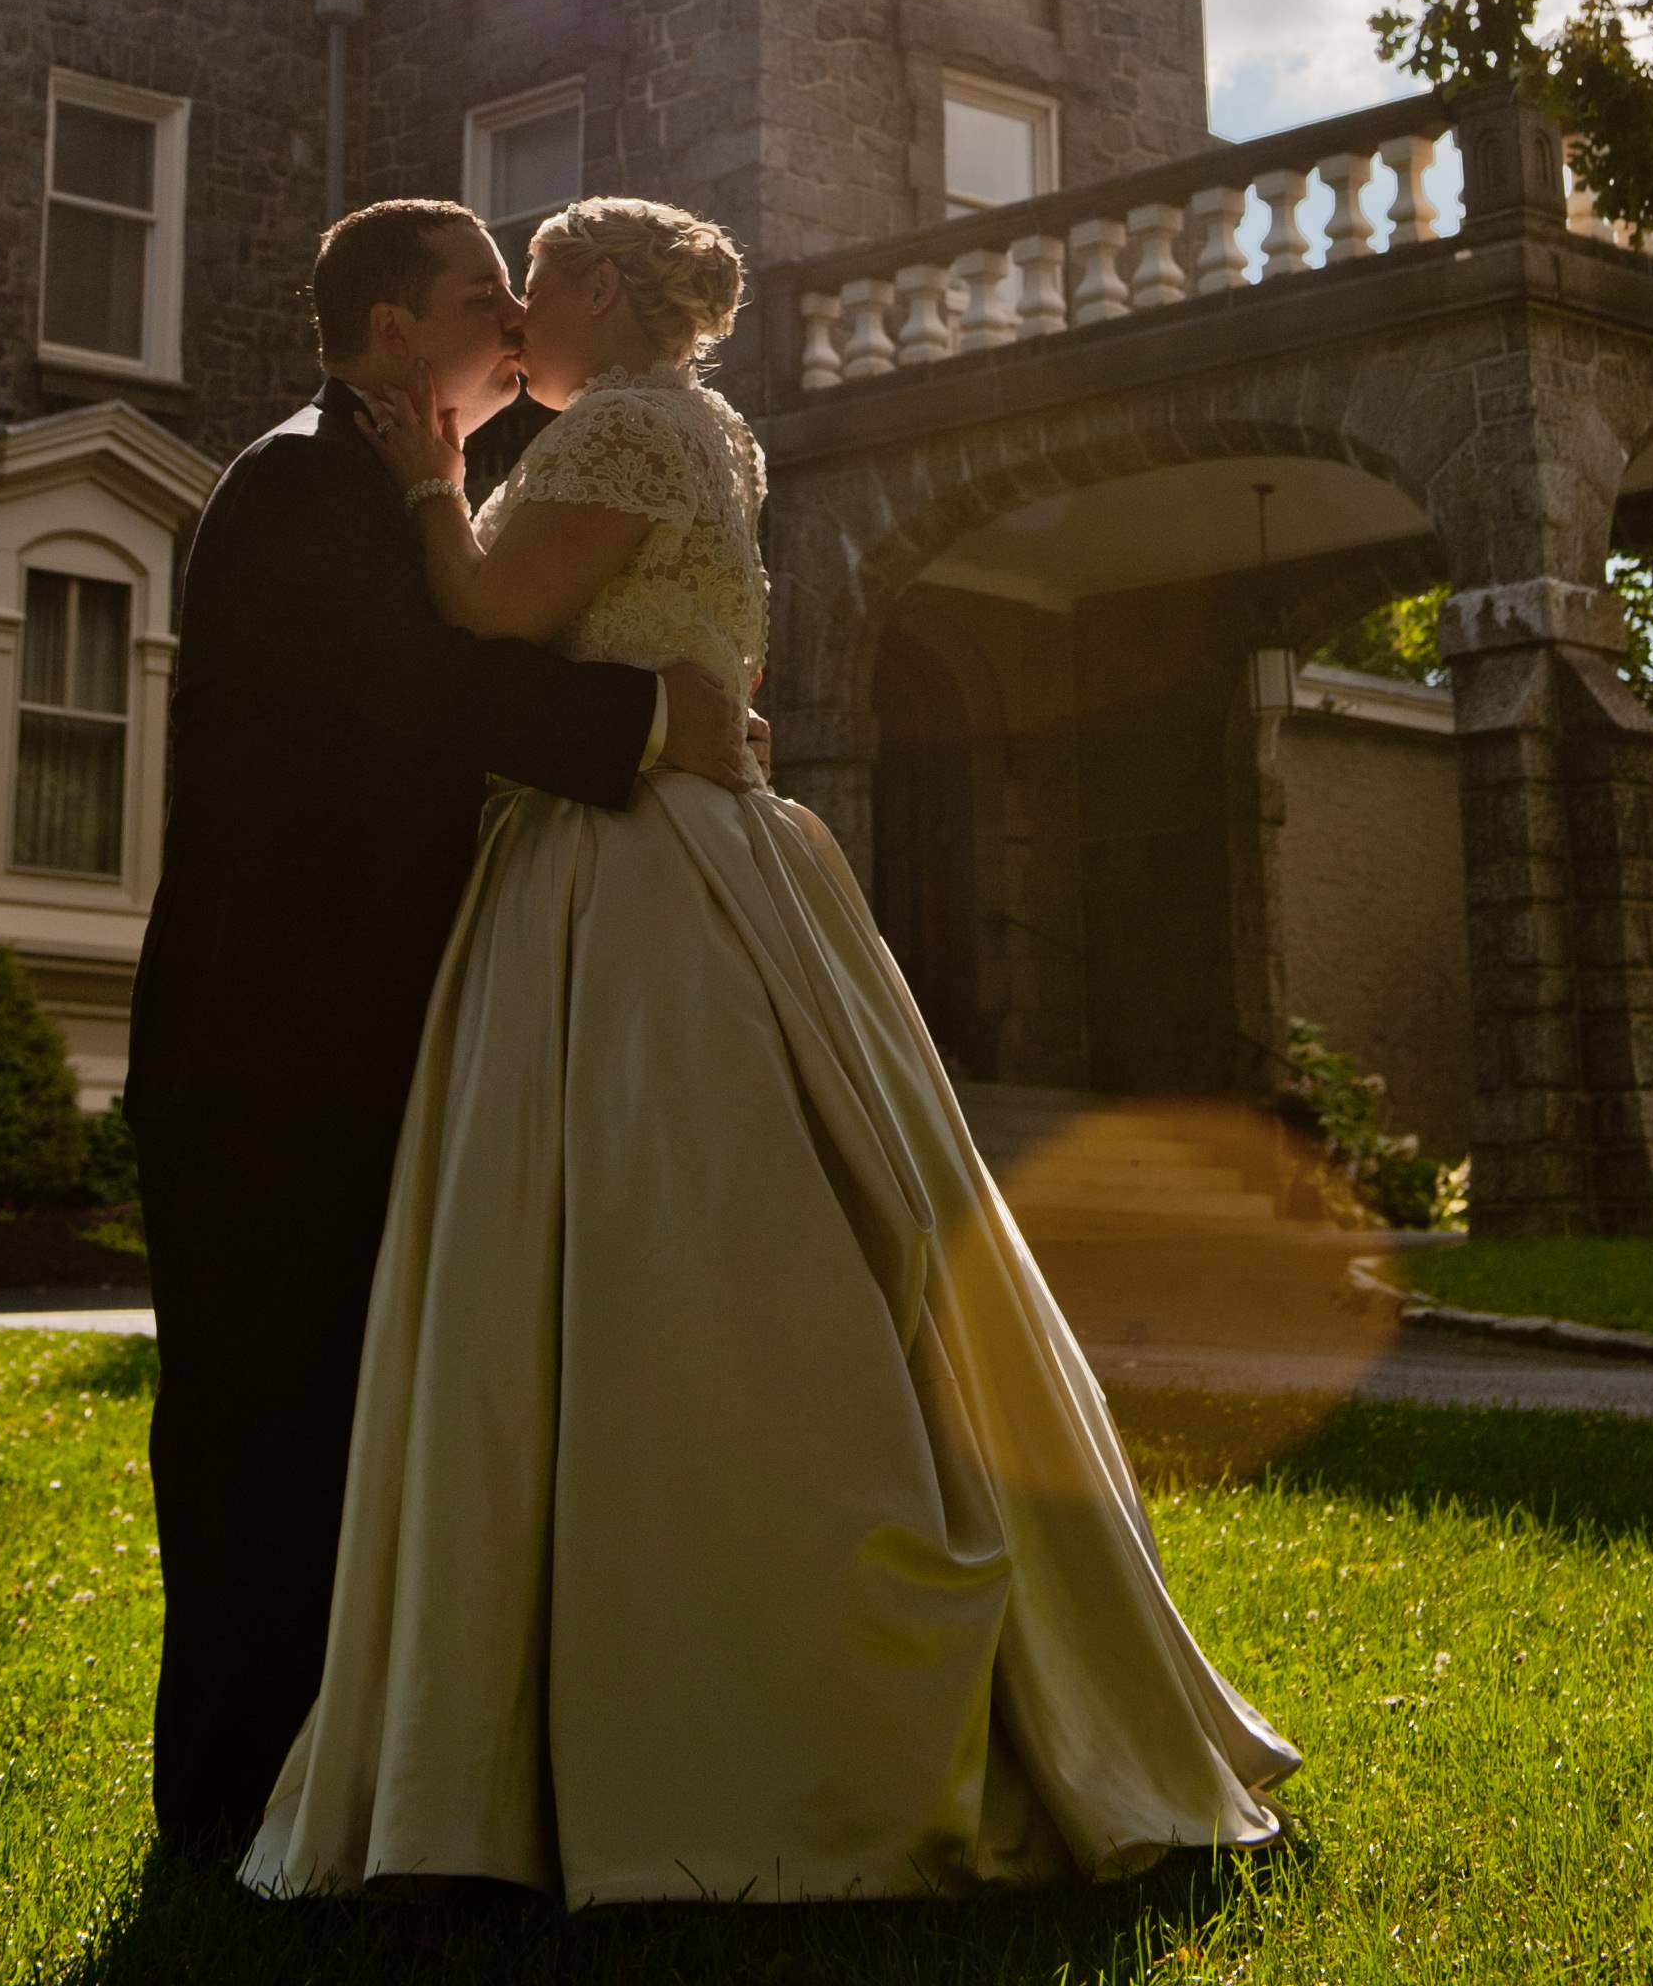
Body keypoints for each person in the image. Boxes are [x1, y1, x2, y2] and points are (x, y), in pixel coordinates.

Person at [243, 192, 1298, 1907]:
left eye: (537, 284)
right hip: (691, 834)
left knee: (664, 1237)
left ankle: (714, 1700)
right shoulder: (701, 427)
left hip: (633, 869)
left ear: (598, 289)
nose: (514, 320)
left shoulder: (632, 427)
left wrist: (434, 475)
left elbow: (497, 618)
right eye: (490, 297)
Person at [123, 196, 753, 1856]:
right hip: (268, 1051)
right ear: (399, 335)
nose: (516, 321)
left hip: (390, 1036)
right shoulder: (298, 483)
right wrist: (649, 718)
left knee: (385, 1424)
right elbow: (413, 694)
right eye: (487, 297)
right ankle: (233, 1803)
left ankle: (394, 1781)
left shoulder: (431, 499)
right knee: (264, 1428)